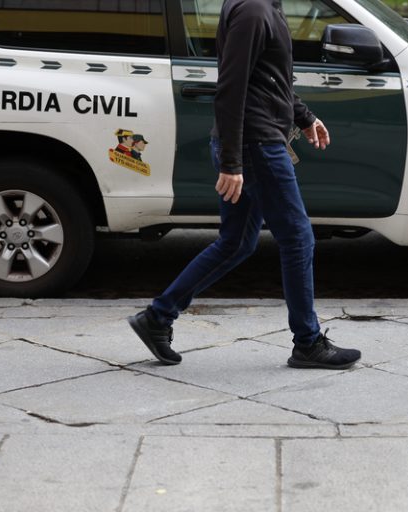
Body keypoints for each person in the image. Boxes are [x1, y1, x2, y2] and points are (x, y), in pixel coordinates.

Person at [128, 0, 362, 369]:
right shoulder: (253, 9)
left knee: (236, 242)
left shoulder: (265, 6)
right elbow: (231, 87)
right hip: (256, 146)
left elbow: (269, 77)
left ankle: (158, 317)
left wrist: (303, 117)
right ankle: (308, 343)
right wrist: (232, 162)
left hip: (253, 143)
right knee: (298, 238)